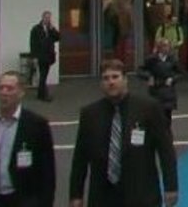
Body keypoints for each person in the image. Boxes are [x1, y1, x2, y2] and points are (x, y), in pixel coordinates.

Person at [69, 59, 178, 207]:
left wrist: (171, 186)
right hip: (103, 196)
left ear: (125, 79)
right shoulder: (90, 114)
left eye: (115, 77)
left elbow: (166, 150)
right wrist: (76, 194)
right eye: (106, 78)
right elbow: (80, 158)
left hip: (141, 193)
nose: (111, 82)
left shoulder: (148, 108)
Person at [0, 70, 56, 207]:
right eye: (1, 88)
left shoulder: (37, 125)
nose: (4, 92)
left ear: (21, 93)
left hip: (24, 199)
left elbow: (47, 171)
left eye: (10, 88)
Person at [140, 38, 181, 126]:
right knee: (156, 116)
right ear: (159, 47)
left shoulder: (172, 59)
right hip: (156, 90)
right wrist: (148, 77)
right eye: (163, 46)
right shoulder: (151, 59)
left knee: (167, 118)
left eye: (167, 46)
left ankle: (167, 137)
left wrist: (173, 79)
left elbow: (180, 73)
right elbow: (140, 71)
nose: (166, 48)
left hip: (168, 91)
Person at [29, 10, 60, 102]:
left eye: (49, 18)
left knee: (44, 75)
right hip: (41, 55)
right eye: (46, 17)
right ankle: (43, 95)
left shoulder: (50, 29)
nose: (48, 19)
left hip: (49, 55)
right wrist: (34, 56)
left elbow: (58, 38)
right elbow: (33, 43)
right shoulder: (36, 29)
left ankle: (40, 94)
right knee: (43, 75)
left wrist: (53, 29)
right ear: (42, 18)